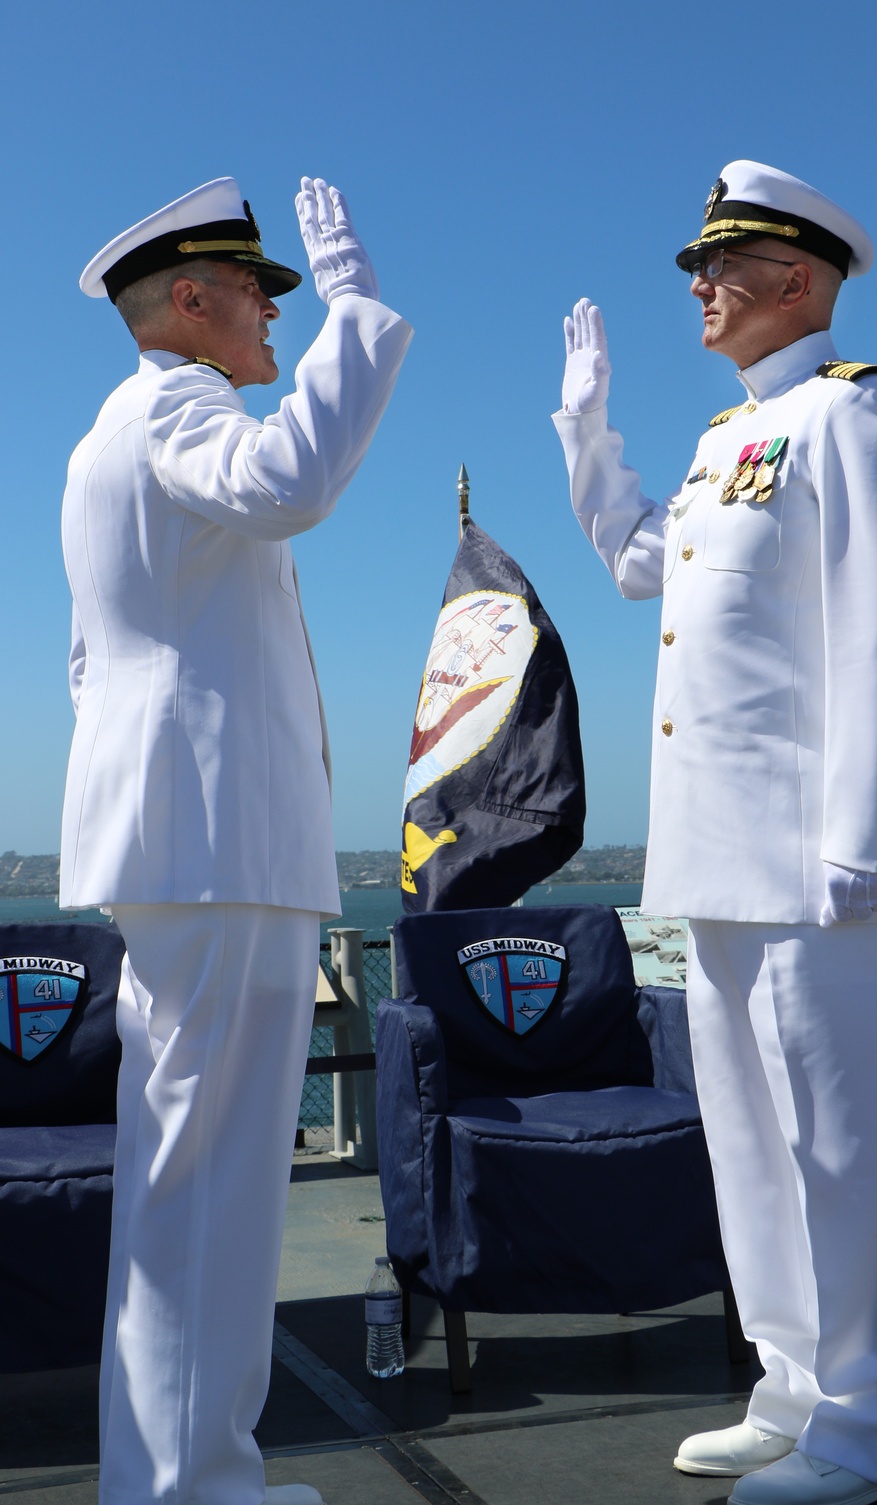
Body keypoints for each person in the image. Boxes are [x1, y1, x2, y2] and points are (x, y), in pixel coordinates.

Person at [553, 161, 877, 1505]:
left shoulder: (860, 416)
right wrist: (585, 426)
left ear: (802, 279)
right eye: (697, 267)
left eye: (723, 265)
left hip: (826, 865)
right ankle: (794, 1390)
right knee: (759, 1147)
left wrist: (864, 830)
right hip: (716, 865)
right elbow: (633, 561)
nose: (699, 287)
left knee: (853, 1152)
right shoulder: (727, 443)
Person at [60, 175, 412, 1505]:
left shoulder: (105, 438)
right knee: (210, 1193)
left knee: (181, 1188)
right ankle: (191, 1486)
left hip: (182, 842)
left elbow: (91, 664)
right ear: (192, 302)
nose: (277, 310)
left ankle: (179, 1473)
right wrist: (361, 321)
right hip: (218, 846)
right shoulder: (175, 410)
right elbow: (289, 480)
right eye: (262, 291)